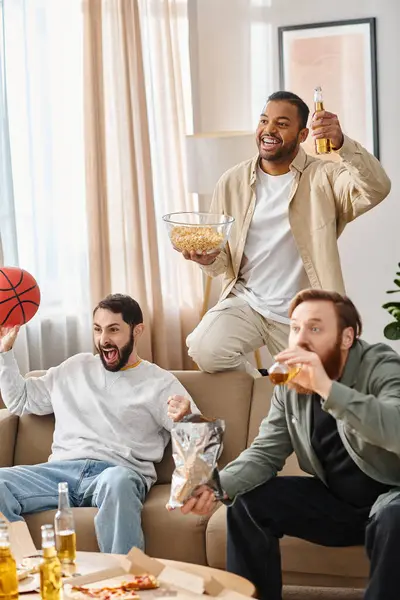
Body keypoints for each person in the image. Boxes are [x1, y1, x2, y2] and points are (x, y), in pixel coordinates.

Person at [182, 289, 400, 600]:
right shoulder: (290, 387)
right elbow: (265, 453)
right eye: (295, 328)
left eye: (315, 328)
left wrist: (325, 387)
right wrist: (216, 485)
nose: (300, 339)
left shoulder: (381, 366)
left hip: (391, 500)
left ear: (346, 337)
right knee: (247, 503)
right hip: (337, 504)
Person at [182, 91, 391, 377]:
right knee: (204, 349)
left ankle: (283, 382)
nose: (268, 130)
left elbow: (377, 187)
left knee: (321, 389)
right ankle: (267, 383)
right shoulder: (232, 181)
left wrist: (343, 145)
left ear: (303, 134)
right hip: (248, 303)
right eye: (264, 120)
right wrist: (207, 258)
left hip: (303, 314)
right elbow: (222, 262)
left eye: (281, 124)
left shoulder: (325, 177)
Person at [0, 293, 197, 554]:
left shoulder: (159, 382)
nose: (103, 339)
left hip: (117, 472)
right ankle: (21, 573)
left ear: (137, 331)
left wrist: (186, 418)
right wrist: (5, 351)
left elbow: (197, 437)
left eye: (113, 329)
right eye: (97, 329)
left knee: (118, 481)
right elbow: (21, 401)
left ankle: (125, 582)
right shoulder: (73, 368)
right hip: (60, 473)